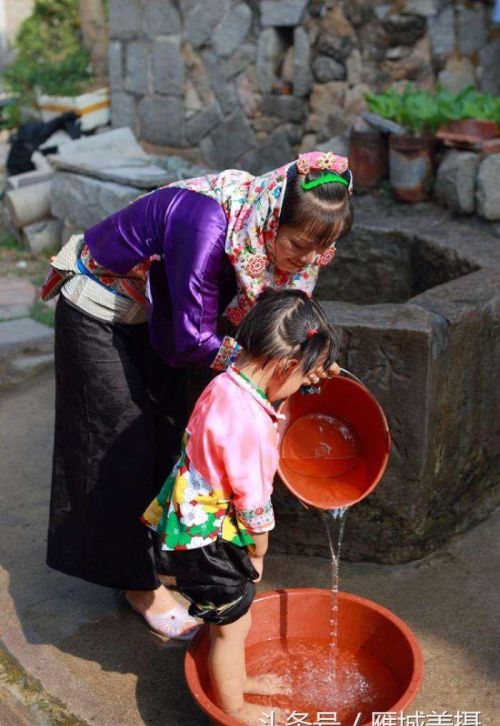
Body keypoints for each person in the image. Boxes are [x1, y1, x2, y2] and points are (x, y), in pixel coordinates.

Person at [41, 151, 353, 639]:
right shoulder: (206, 225)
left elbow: (275, 319)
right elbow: (186, 341)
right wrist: (262, 370)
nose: (309, 262)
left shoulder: (260, 232)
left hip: (157, 314)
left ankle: (159, 556)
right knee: (120, 444)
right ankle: (138, 586)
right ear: (273, 218)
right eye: (300, 246)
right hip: (100, 308)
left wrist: (306, 360)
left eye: (324, 251)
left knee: (172, 433)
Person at [141, 289, 339, 725]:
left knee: (225, 616)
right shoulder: (249, 424)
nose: (307, 382)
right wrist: (259, 549)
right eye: (304, 375)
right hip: (208, 541)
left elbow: (276, 388)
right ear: (285, 365)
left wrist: (314, 371)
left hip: (189, 517)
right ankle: (234, 705)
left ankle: (235, 678)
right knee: (233, 626)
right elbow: (253, 501)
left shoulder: (231, 376)